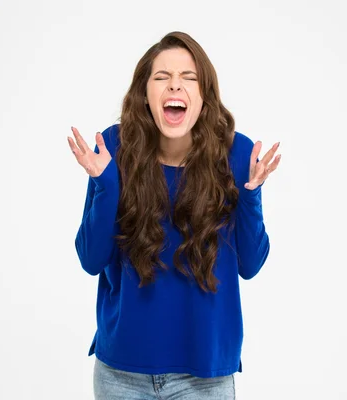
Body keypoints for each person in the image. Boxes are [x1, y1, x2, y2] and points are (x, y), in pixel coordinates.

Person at [67, 31, 281, 400]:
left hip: (205, 378)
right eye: (161, 78)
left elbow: (250, 265)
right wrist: (106, 186)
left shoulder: (236, 153)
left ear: (204, 96)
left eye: (188, 78)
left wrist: (251, 195)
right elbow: (91, 259)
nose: (174, 87)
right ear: (145, 94)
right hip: (121, 374)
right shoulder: (113, 149)